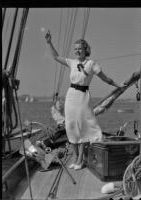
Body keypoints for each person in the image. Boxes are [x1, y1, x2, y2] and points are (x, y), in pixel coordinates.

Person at [45, 30, 124, 170]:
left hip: (83, 97)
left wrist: (119, 85)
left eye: (79, 49)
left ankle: (81, 159)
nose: (77, 51)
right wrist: (49, 42)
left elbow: (106, 79)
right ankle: (75, 158)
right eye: (75, 49)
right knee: (70, 127)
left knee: (82, 127)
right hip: (71, 96)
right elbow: (56, 57)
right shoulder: (72, 62)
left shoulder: (92, 64)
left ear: (85, 49)